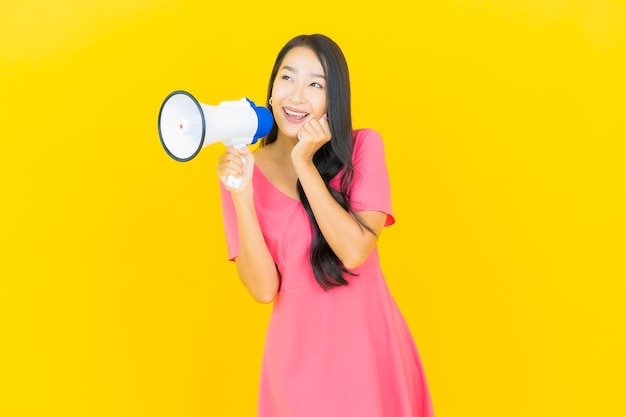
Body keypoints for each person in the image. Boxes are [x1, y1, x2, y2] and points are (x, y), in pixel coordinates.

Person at [216, 33, 434, 417]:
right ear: (270, 91)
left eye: (315, 84)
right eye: (287, 78)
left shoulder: (363, 147)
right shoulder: (244, 171)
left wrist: (304, 163)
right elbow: (264, 289)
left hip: (368, 352)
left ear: (332, 100)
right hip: (297, 367)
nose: (296, 96)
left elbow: (353, 251)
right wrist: (241, 195)